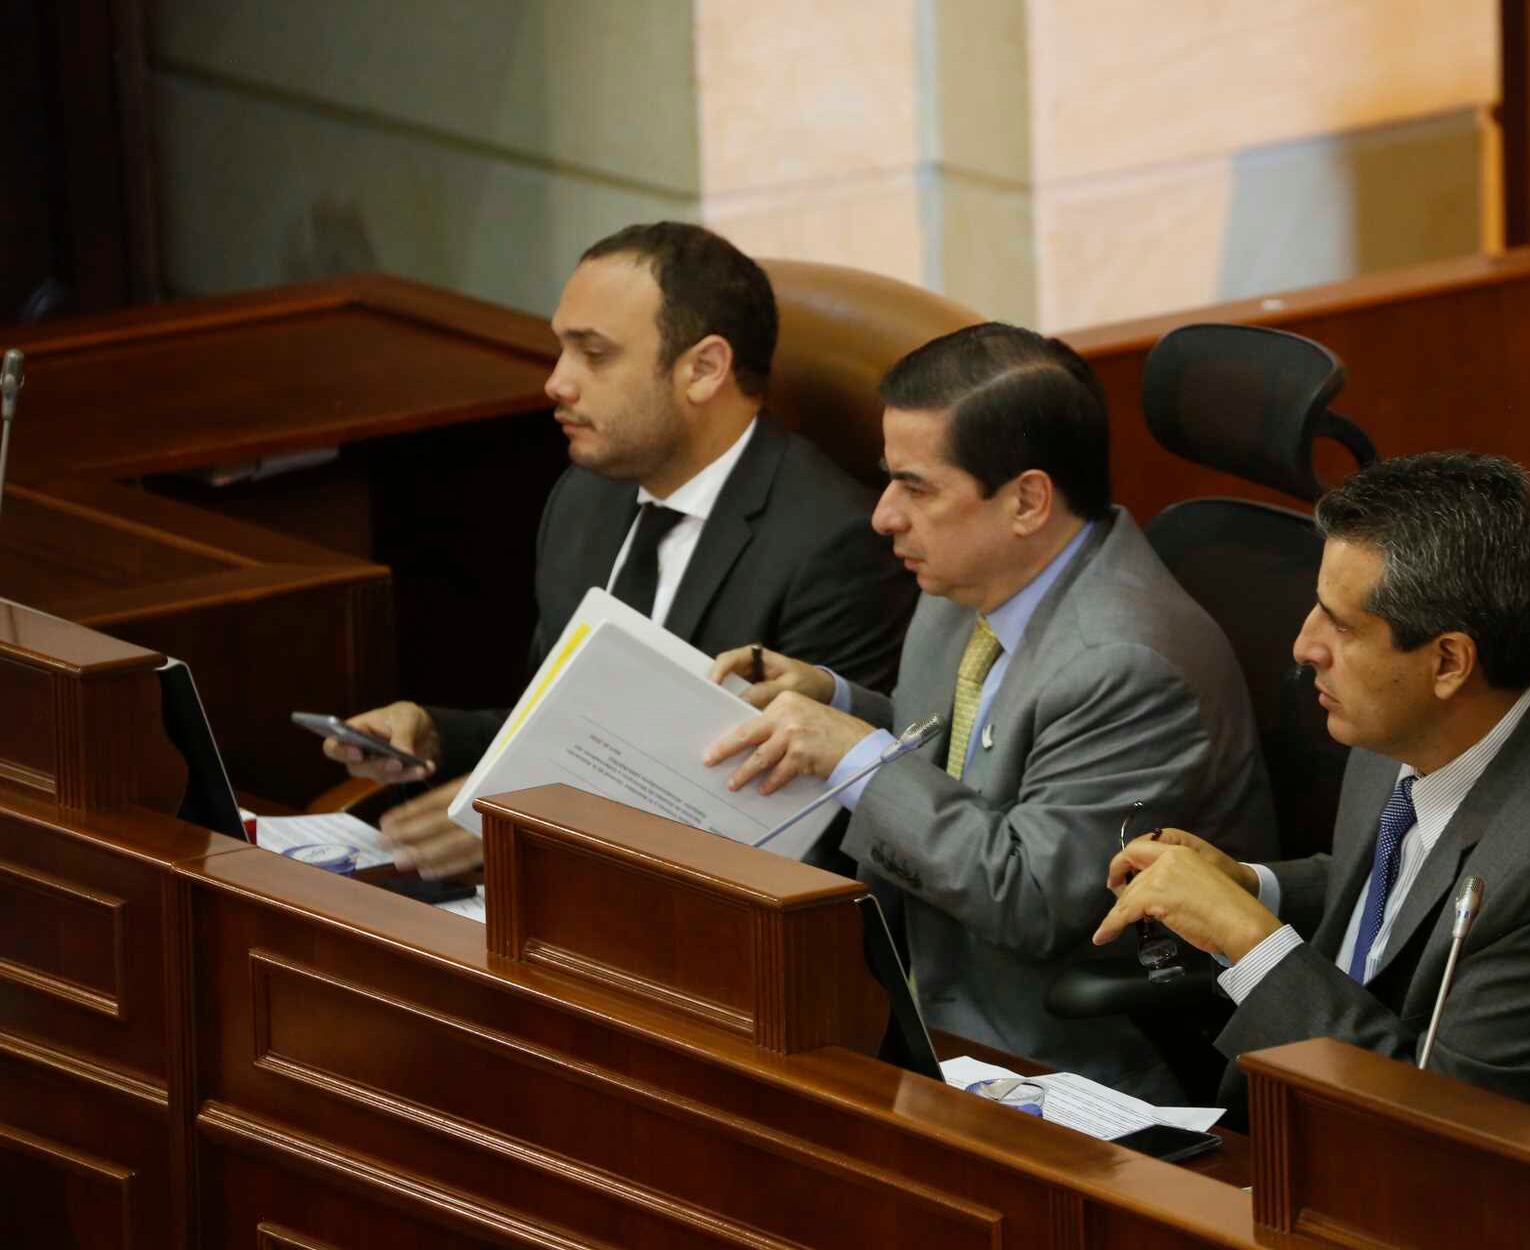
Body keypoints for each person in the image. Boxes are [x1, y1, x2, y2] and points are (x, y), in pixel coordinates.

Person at [1093, 452, 1530, 1242]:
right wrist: (1255, 888)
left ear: (1449, 662)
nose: (1303, 646)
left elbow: (1441, 1134)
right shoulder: (1422, 721)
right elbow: (1405, 882)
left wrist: (1248, 940)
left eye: (1341, 626)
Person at [702, 322, 1275, 1102]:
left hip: (1054, 1058)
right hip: (909, 993)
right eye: (889, 480)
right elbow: (966, 757)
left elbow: (1030, 896)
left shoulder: (1125, 663)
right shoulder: (971, 578)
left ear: (1027, 501)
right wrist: (835, 703)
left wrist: (854, 753)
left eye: (917, 488)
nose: (883, 516)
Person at [325, 222, 916, 876]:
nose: (557, 383)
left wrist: (534, 823)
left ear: (704, 370)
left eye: (594, 355)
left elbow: (800, 818)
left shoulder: (836, 545)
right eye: (561, 350)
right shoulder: (585, 498)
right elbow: (568, 732)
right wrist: (436, 735)